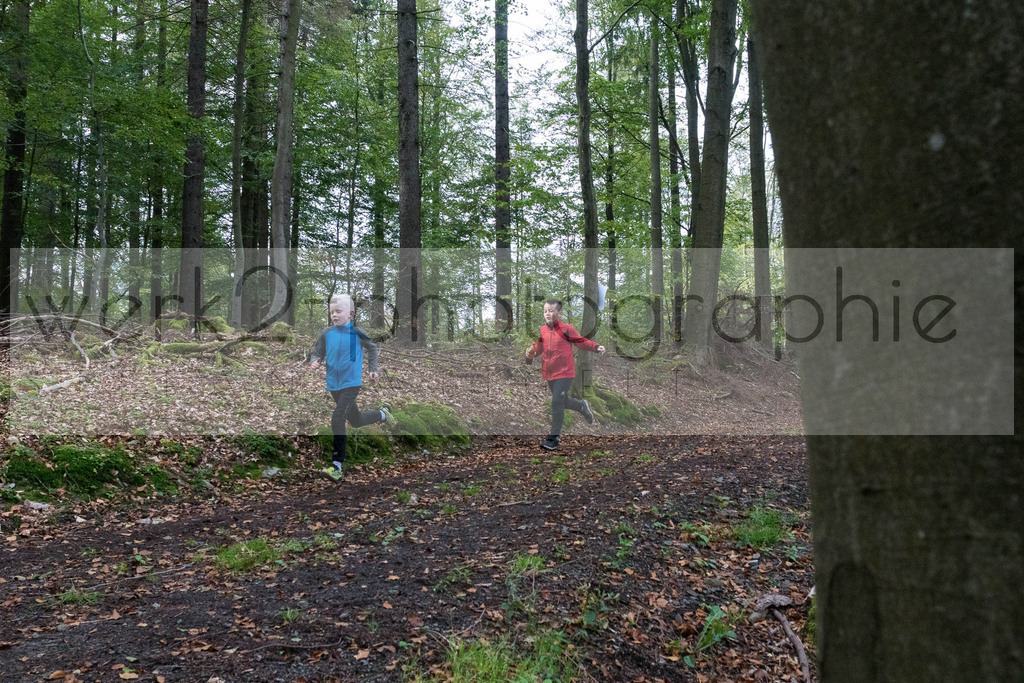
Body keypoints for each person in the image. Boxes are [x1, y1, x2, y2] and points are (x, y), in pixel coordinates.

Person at [310, 294, 394, 479]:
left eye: (338, 311)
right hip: (333, 384)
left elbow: (372, 348)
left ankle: (337, 466)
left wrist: (373, 369)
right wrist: (315, 361)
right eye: (332, 312)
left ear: (351, 313)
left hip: (351, 384)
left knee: (337, 418)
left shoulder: (358, 333)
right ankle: (382, 414)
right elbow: (317, 352)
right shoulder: (326, 333)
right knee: (355, 420)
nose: (334, 315)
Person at [525, 299, 606, 450]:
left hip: (565, 372)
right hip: (550, 374)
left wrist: (596, 347)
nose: (547, 314)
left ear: (559, 313)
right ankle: (581, 406)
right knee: (561, 401)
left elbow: (581, 342)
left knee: (556, 402)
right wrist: (530, 353)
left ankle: (553, 438)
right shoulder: (543, 330)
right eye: (545, 311)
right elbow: (539, 348)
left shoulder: (567, 329)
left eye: (551, 310)